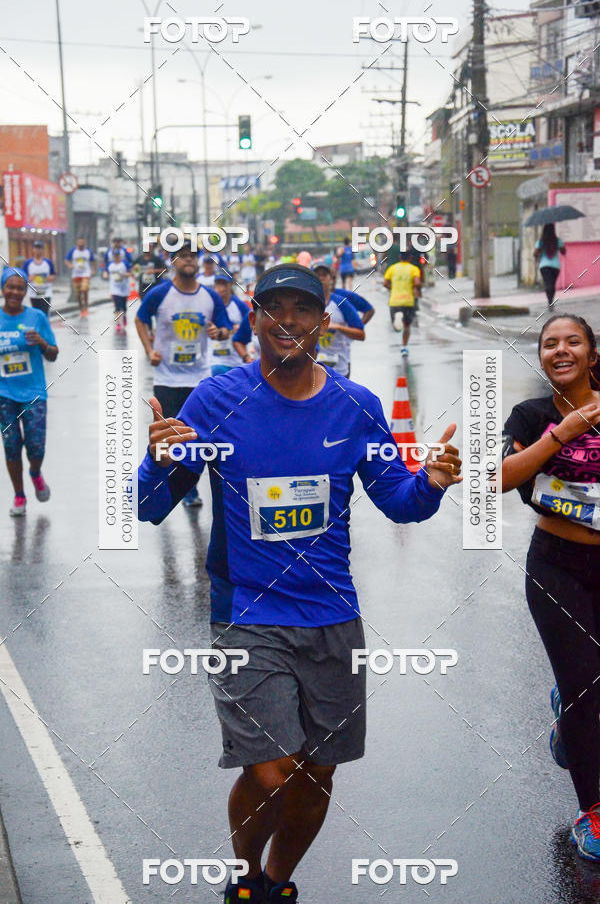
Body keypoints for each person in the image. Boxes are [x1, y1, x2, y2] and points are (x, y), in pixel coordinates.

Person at [134, 261, 462, 904]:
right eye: (275, 309)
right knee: (272, 769)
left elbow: (400, 502)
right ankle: (246, 874)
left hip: (332, 616)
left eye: (304, 310)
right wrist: (156, 458)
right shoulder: (215, 400)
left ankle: (278, 884)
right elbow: (148, 506)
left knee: (316, 772)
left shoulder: (356, 407)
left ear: (322, 321)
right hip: (246, 614)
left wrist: (434, 482)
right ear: (254, 318)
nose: (289, 321)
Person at [502, 314, 600, 861]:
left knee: (589, 688)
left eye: (572, 342)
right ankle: (593, 812)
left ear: (590, 353)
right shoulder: (532, 414)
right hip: (556, 565)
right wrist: (563, 433)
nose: (560, 350)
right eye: (549, 344)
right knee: (586, 687)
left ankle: (568, 712)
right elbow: (502, 477)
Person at [135, 241, 232, 508]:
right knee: (173, 438)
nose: (188, 260)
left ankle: (198, 488)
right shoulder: (159, 293)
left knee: (202, 438)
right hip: (167, 379)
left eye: (193, 256)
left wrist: (218, 332)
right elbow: (140, 318)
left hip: (200, 379)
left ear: (199, 262)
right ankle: (179, 490)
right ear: (173, 261)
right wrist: (149, 349)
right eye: (183, 256)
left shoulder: (210, 297)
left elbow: (225, 328)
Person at [0, 268, 58, 516]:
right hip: (4, 393)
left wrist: (43, 343)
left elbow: (54, 354)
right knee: (11, 447)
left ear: (26, 291)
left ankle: (35, 472)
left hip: (34, 393)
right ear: (3, 289)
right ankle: (20, 495)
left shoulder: (37, 317)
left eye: (20, 288)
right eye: (10, 287)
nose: (15, 292)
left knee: (36, 447)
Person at [312, 263, 364, 378]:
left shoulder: (341, 302)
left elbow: (361, 334)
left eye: (324, 275)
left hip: (339, 371)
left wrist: (338, 327)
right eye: (317, 275)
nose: (321, 278)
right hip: (311, 371)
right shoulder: (304, 304)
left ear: (330, 279)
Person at [210, 271, 251, 375]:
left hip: (236, 359)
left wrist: (241, 329)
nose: (221, 287)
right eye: (218, 283)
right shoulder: (210, 304)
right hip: (214, 360)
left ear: (230, 285)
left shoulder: (239, 305)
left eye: (224, 283)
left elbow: (253, 322)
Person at [383, 250, 422, 355]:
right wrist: (416, 289)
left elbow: (385, 283)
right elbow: (417, 283)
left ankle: (397, 322)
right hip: (408, 301)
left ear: (400, 257)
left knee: (396, 328)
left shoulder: (392, 268)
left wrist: (392, 287)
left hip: (395, 301)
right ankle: (404, 347)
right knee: (407, 326)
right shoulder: (413, 269)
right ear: (410, 258)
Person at [534, 223, 566, 307]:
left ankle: (550, 300)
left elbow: (535, 253)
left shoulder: (540, 242)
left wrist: (540, 251)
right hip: (555, 266)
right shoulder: (557, 241)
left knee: (548, 283)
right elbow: (563, 252)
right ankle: (551, 300)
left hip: (544, 266)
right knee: (552, 283)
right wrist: (560, 247)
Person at [22, 241, 56, 316]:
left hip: (46, 293)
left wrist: (49, 278)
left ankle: (44, 327)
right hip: (33, 294)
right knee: (36, 314)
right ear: (33, 250)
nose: (38, 250)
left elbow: (53, 275)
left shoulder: (48, 262)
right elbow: (23, 277)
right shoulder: (28, 263)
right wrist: (29, 278)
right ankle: (38, 327)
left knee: (44, 313)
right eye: (36, 248)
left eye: (40, 248)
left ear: (43, 250)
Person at [65, 237, 95, 316]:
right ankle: (81, 308)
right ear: (77, 243)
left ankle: (86, 307)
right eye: (79, 242)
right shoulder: (73, 251)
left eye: (82, 242)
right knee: (78, 293)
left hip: (86, 273)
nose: (81, 244)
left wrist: (93, 270)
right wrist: (70, 265)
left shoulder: (88, 251)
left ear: (84, 242)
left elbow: (93, 261)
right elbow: (66, 260)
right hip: (76, 274)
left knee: (84, 290)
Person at [108, 249, 130, 333]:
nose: (116, 257)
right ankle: (118, 323)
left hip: (124, 288)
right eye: (115, 256)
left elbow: (131, 273)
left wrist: (125, 274)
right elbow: (106, 271)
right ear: (113, 257)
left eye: (118, 256)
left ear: (120, 256)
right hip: (114, 289)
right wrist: (105, 274)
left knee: (123, 307)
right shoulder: (110, 265)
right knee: (117, 307)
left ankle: (124, 316)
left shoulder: (124, 264)